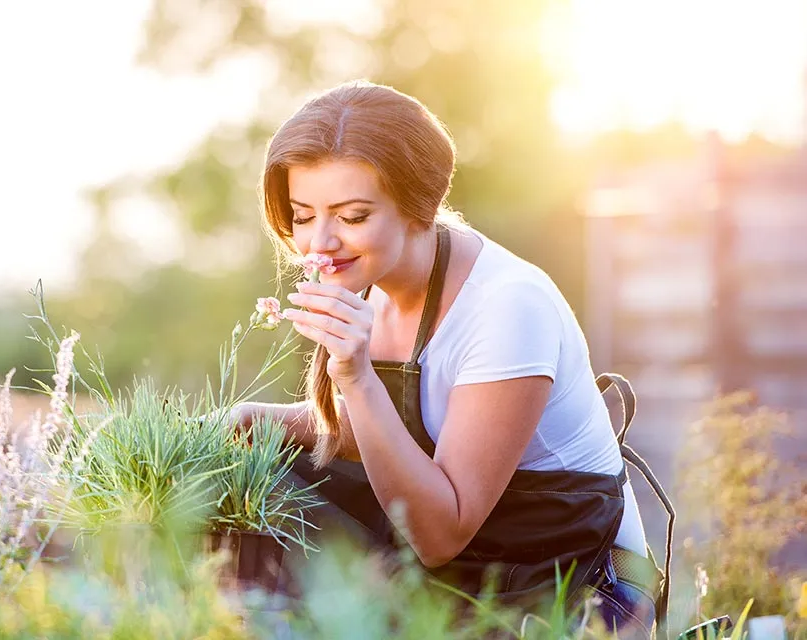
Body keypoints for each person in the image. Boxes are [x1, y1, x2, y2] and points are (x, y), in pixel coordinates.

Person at [229, 80, 671, 639]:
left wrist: (356, 375)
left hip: (570, 580)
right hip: (472, 557)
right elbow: (394, 432)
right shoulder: (369, 276)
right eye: (302, 214)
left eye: (353, 215)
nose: (321, 242)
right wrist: (248, 419)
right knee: (252, 488)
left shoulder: (506, 306)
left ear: (420, 206)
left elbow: (440, 535)